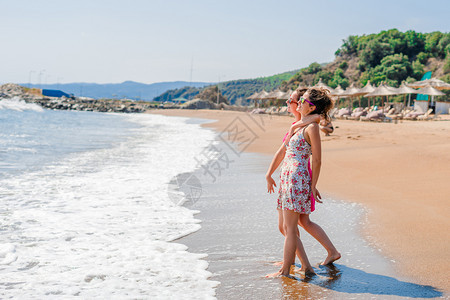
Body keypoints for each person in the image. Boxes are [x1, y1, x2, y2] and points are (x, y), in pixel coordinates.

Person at [266, 87, 340, 277]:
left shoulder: (312, 127)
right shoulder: (300, 124)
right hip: (289, 177)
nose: (298, 102)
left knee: (291, 228)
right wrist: (270, 174)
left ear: (311, 106)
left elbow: (317, 160)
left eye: (302, 101)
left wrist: (313, 185)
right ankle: (299, 265)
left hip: (297, 178)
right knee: (288, 227)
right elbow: (284, 150)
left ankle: (285, 271)